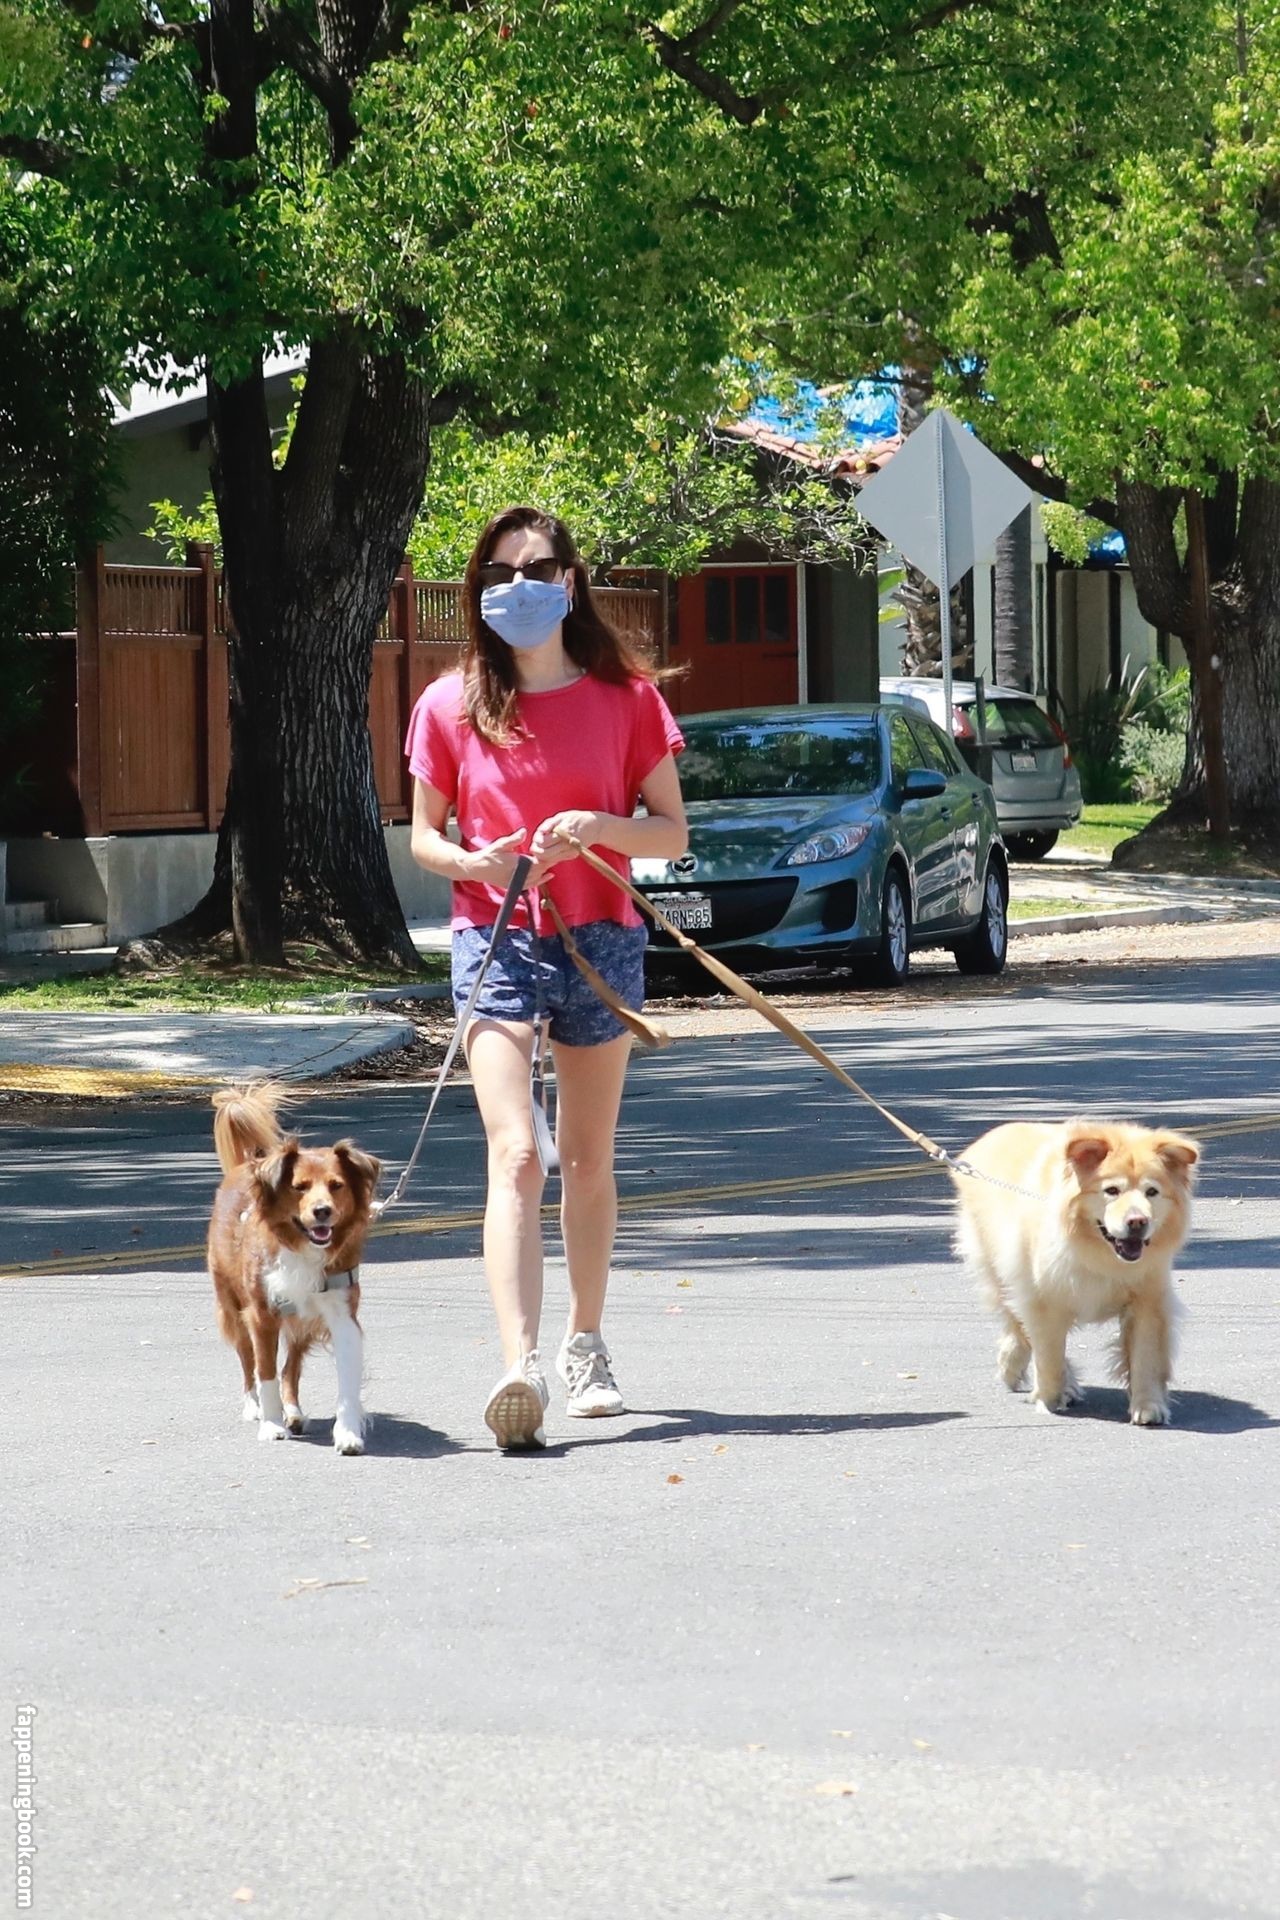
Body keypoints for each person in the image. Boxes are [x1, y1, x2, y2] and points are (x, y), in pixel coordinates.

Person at [406, 506, 688, 1449]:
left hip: (600, 939)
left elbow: (671, 832)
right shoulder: (448, 705)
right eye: (499, 573)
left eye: (535, 569)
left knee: (586, 1158)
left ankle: (585, 1344)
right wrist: (474, 862)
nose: (517, 587)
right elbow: (424, 838)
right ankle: (518, 1363)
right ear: (478, 590)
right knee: (517, 1154)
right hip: (495, 939)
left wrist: (599, 827)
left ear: (569, 581)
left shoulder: (627, 699)